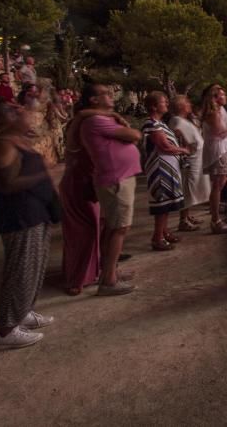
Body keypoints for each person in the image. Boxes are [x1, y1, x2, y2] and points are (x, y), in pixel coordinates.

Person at [0, 102, 60, 350]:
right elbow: (7, 184)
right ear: (6, 118)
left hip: (36, 212)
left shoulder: (18, 141)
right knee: (19, 271)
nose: (25, 113)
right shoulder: (3, 145)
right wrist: (44, 173)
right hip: (19, 216)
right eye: (17, 111)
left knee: (34, 268)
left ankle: (23, 312)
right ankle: (7, 331)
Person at [79, 83, 141, 296]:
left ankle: (110, 271)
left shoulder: (100, 119)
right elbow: (135, 135)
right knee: (119, 229)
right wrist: (123, 123)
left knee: (114, 228)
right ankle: (108, 281)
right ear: (93, 100)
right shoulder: (96, 121)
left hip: (119, 178)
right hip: (116, 180)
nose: (111, 95)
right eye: (105, 93)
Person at [58, 96, 105, 296]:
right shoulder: (79, 127)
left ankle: (95, 272)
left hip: (90, 182)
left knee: (96, 229)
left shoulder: (89, 125)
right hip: (79, 183)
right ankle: (75, 279)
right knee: (82, 232)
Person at [140, 92, 188, 251]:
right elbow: (165, 146)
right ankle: (157, 237)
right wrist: (183, 150)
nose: (167, 103)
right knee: (162, 204)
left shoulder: (160, 123)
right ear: (154, 106)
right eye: (163, 101)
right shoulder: (151, 124)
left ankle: (164, 231)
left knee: (166, 204)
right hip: (160, 170)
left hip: (168, 169)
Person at [167, 95, 209, 232]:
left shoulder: (182, 120)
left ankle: (187, 216)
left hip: (195, 159)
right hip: (189, 161)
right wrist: (186, 149)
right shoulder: (177, 121)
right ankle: (183, 220)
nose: (190, 104)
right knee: (187, 189)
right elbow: (177, 136)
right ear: (181, 106)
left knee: (192, 189)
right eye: (187, 102)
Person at [200, 84, 227, 234]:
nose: (226, 97)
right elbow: (222, 132)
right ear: (215, 97)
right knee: (218, 184)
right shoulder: (213, 112)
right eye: (223, 94)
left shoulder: (221, 109)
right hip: (218, 151)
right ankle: (215, 221)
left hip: (225, 149)